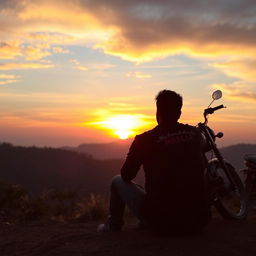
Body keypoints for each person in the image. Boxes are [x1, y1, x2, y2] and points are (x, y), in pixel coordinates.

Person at [98, 90, 211, 234]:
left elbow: (126, 175)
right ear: (179, 113)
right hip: (198, 221)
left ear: (158, 112)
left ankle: (113, 226)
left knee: (117, 180)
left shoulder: (144, 140)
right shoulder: (195, 134)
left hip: (161, 223)